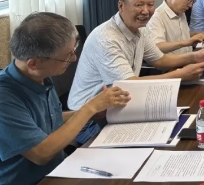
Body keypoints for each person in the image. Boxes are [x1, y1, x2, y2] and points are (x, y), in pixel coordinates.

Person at [0, 12, 131, 185]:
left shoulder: (40, 76)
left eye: (73, 51)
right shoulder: (5, 97)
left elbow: (48, 119)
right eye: (67, 56)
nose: (74, 58)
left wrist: (93, 113)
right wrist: (89, 108)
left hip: (60, 169)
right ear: (34, 63)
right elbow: (42, 153)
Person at [68, 0, 204, 114]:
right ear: (121, 6)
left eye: (150, 5)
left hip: (117, 103)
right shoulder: (106, 38)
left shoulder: (141, 29)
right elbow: (129, 84)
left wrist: (195, 56)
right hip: (87, 116)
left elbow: (160, 60)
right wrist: (180, 74)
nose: (146, 11)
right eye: (139, 5)